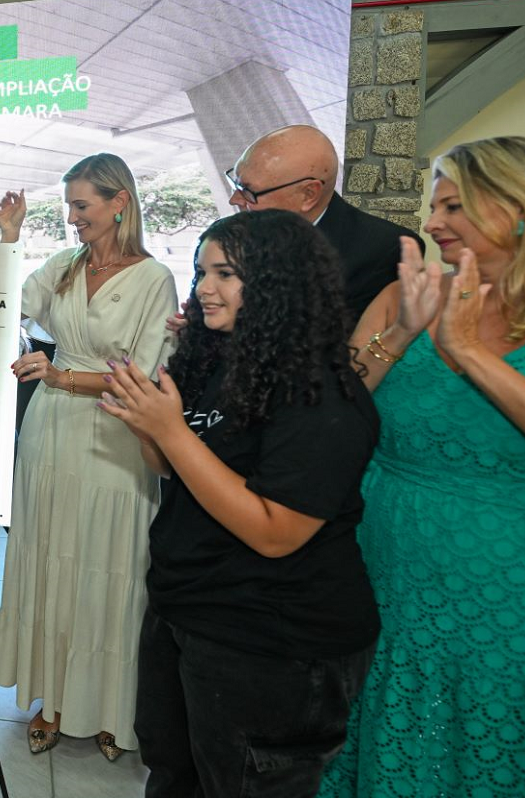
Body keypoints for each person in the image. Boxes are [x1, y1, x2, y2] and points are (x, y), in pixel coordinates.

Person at [319, 136, 525, 798]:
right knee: (387, 729)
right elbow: (337, 406)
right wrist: (400, 332)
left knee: (494, 738)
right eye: (434, 208)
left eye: (452, 206)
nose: (430, 225)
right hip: (386, 573)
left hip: (514, 592)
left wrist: (469, 351)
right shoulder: (414, 293)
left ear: (522, 208)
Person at [103, 209, 380, 797]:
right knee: (174, 774)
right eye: (202, 271)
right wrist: (148, 425)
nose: (204, 288)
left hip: (270, 637)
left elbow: (275, 532)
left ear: (280, 281)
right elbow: (171, 471)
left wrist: (171, 431)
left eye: (226, 274)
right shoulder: (217, 360)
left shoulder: (319, 393)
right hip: (191, 610)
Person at [0, 154, 178, 760]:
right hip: (50, 437)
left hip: (117, 439)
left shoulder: (154, 280)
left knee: (110, 571)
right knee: (52, 561)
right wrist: (10, 237)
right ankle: (55, 701)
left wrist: (62, 376)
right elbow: (5, 306)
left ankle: (111, 709)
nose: (72, 218)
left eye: (82, 206)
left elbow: (144, 375)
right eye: (69, 206)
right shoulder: (65, 266)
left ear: (119, 202)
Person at [227, 125, 422, 322]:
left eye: (247, 191)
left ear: (308, 195)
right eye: (235, 184)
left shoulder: (382, 251)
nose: (234, 200)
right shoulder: (240, 237)